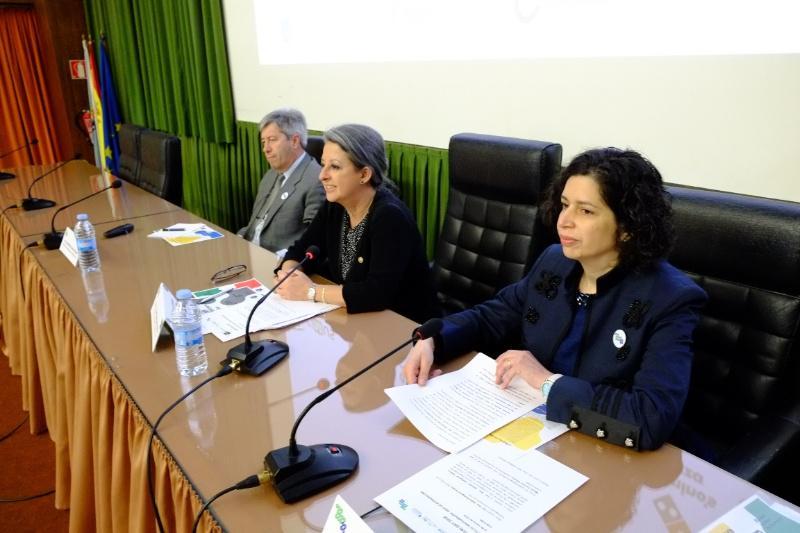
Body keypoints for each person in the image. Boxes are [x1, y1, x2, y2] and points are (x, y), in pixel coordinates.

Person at [403, 147, 707, 451]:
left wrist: (547, 382)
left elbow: (651, 417)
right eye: (564, 205)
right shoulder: (555, 262)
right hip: (537, 433)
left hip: (605, 452)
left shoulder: (671, 299)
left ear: (627, 227)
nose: (564, 221)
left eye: (585, 211)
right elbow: (493, 315)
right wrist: (434, 339)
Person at [274, 124, 440, 324]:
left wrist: (310, 291)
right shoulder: (334, 206)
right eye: (323, 164)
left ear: (364, 175)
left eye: (334, 167)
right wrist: (289, 273)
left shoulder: (389, 217)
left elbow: (377, 294)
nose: (322, 175)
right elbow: (301, 250)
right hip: (357, 323)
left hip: (406, 327)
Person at [237, 108, 324, 252]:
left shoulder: (317, 179)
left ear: (295, 141)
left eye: (272, 140)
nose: (266, 149)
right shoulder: (270, 174)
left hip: (278, 261)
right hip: (249, 250)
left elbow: (314, 239)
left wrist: (287, 259)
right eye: (263, 142)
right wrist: (238, 239)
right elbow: (256, 224)